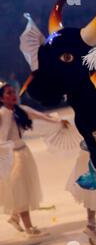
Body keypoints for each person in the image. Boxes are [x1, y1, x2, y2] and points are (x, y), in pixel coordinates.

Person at [0, 82, 69, 236]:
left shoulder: (20, 110)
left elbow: (42, 116)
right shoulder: (3, 113)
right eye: (9, 93)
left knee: (22, 188)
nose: (13, 95)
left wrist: (58, 121)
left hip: (23, 153)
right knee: (19, 189)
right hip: (10, 156)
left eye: (13, 92)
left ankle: (16, 217)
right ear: (1, 98)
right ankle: (28, 227)